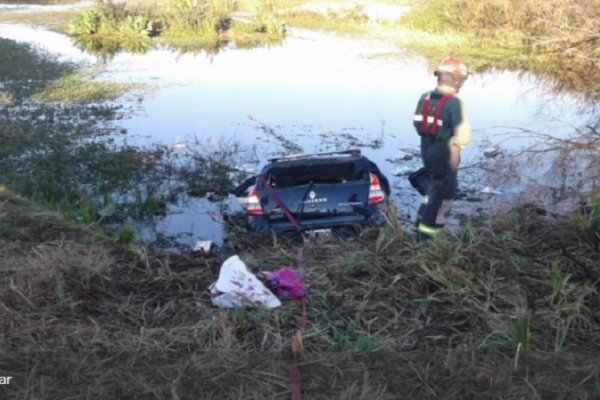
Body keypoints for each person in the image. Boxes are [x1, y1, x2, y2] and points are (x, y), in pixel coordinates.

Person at [409, 56, 472, 242]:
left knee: (434, 187)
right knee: (443, 193)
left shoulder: (425, 97)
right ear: (457, 79)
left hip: (427, 148)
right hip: (445, 152)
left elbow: (417, 125)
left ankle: (418, 223)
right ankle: (427, 240)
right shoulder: (455, 103)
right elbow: (463, 137)